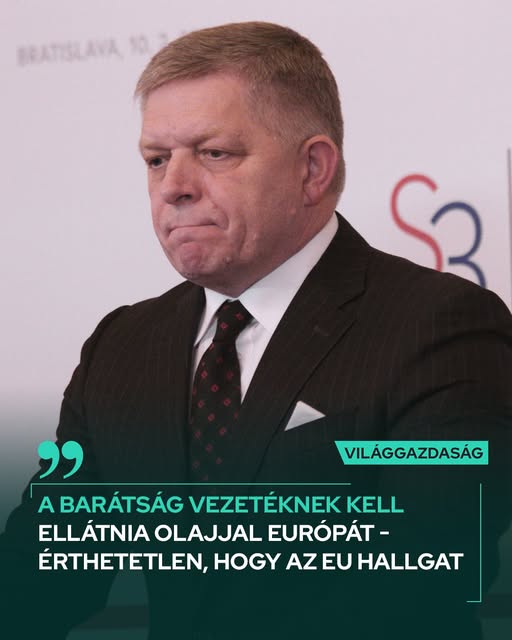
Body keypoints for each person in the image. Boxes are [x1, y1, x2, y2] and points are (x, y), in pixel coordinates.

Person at [1, 21, 511, 640]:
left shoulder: (439, 326)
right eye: (157, 160)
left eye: (214, 153)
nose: (174, 187)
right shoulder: (123, 346)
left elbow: (425, 572)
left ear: (313, 169)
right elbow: (45, 568)